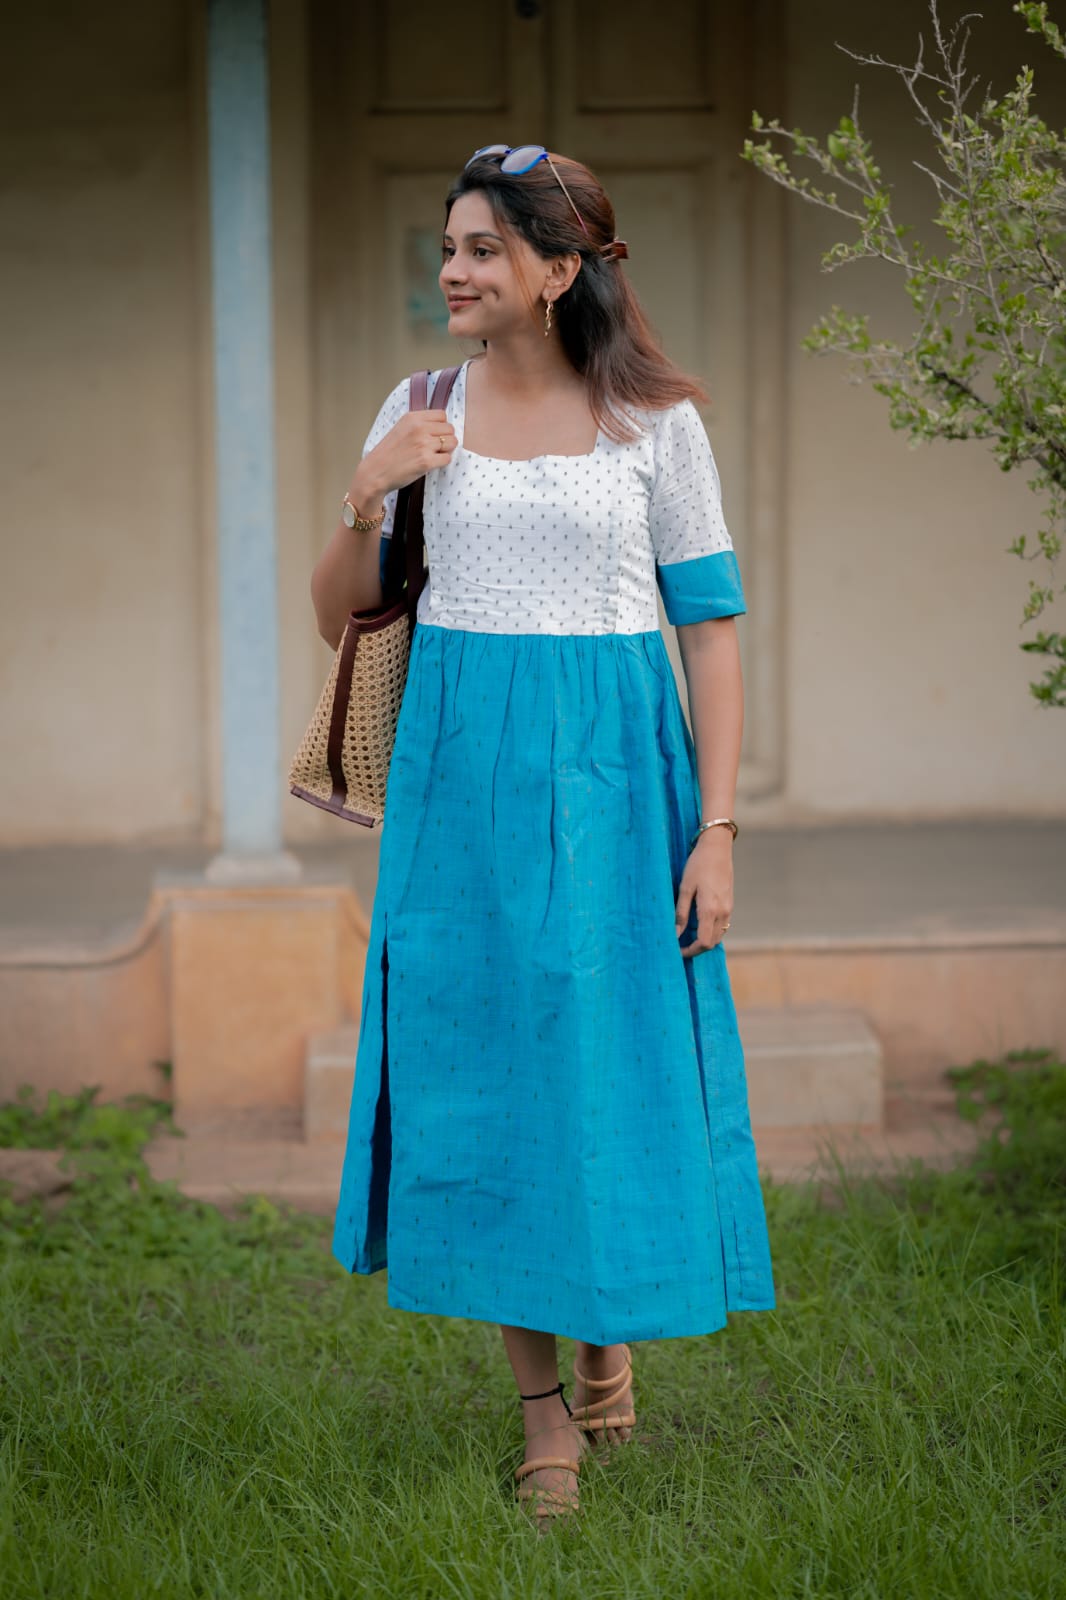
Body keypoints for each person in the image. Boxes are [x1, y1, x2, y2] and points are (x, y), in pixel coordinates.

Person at [311, 145, 776, 1526]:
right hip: (462, 791)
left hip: (620, 783)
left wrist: (720, 829)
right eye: (447, 248)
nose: (451, 271)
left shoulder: (653, 424)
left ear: (558, 271)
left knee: (605, 1061)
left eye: (479, 251)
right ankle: (544, 1422)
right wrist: (369, 492)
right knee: (490, 1075)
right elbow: (339, 615)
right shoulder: (418, 407)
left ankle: (609, 1338)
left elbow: (711, 629)